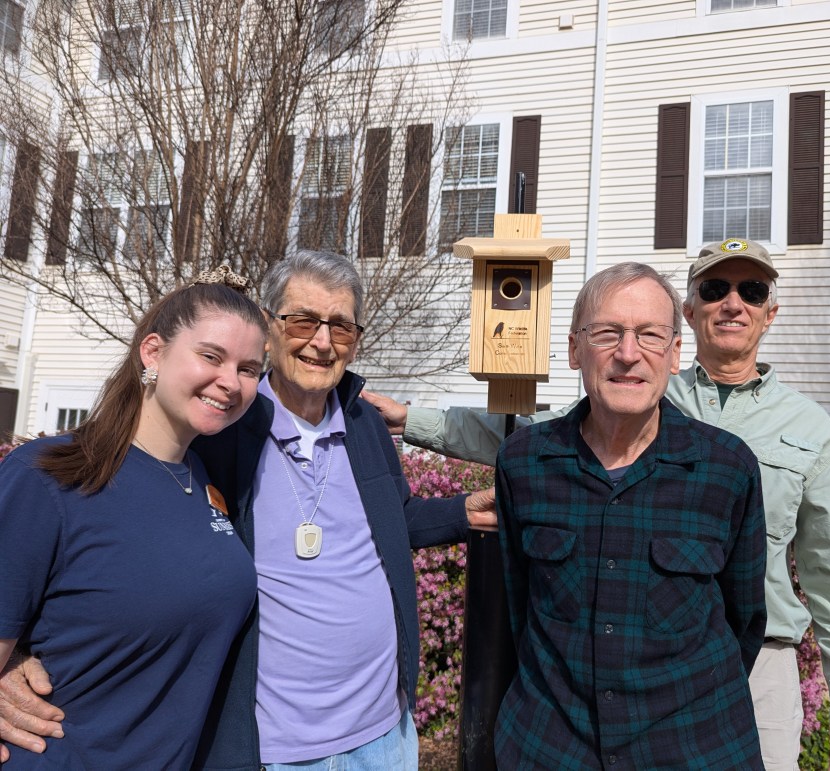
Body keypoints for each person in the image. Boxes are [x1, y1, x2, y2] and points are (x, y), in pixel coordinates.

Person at [362, 238, 830, 771]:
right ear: (689, 314)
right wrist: (411, 420)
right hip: (595, 678)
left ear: (770, 312)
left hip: (753, 663)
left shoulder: (804, 428)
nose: (732, 303)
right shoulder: (634, 386)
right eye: (714, 288)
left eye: (751, 291)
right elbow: (527, 443)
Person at [0, 251, 496, 769]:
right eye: (303, 321)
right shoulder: (221, 430)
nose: (322, 341)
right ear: (270, 327)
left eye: (341, 327)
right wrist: (15, 657)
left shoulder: (364, 424)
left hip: (384, 734)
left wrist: (462, 512)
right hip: (275, 748)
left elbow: (390, 520)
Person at [494, 262, 766, 768]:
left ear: (675, 353)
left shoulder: (727, 469)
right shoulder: (524, 462)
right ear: (575, 350)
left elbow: (744, 619)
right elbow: (516, 606)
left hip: (692, 749)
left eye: (650, 335)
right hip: (553, 749)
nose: (627, 353)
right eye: (606, 333)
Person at [0, 274, 269, 767]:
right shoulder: (48, 475)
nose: (231, 382)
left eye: (249, 369)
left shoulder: (203, 480)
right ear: (153, 353)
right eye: (211, 356)